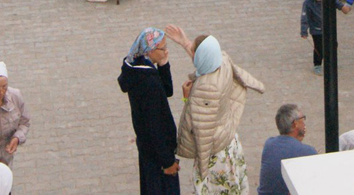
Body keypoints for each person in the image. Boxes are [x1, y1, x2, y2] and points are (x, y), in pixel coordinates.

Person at [177, 36, 266, 194]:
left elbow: (201, 129)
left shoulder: (204, 89)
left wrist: (186, 98)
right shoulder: (222, 62)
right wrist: (185, 43)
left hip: (215, 153)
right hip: (229, 140)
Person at [120, 25, 194, 195]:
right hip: (158, 155)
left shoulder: (137, 69)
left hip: (148, 149)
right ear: (150, 50)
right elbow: (155, 126)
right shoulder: (148, 83)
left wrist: (163, 64)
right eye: (163, 48)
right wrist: (167, 162)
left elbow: (166, 90)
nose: (166, 51)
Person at [257, 104, 316, 195]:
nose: (304, 124)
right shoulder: (308, 152)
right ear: (295, 124)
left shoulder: (269, 144)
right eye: (303, 119)